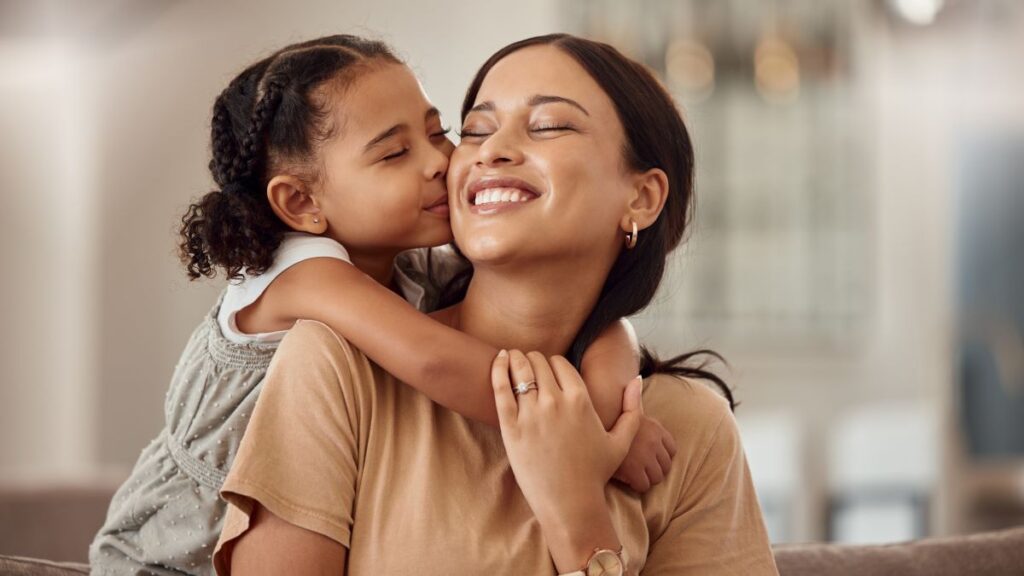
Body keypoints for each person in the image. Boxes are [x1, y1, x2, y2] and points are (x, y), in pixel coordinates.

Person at [89, 34, 673, 576]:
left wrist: (613, 390)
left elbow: (594, 318)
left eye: (440, 131)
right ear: (301, 202)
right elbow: (440, 363)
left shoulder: (410, 268)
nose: (440, 161)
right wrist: (585, 433)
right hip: (164, 556)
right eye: (395, 154)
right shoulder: (305, 278)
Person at [214, 34, 779, 575]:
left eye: (549, 125)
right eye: (477, 130)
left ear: (642, 196)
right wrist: (588, 424)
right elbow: (434, 360)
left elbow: (610, 329)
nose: (490, 153)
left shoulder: (688, 429)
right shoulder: (335, 363)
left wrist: (578, 516)